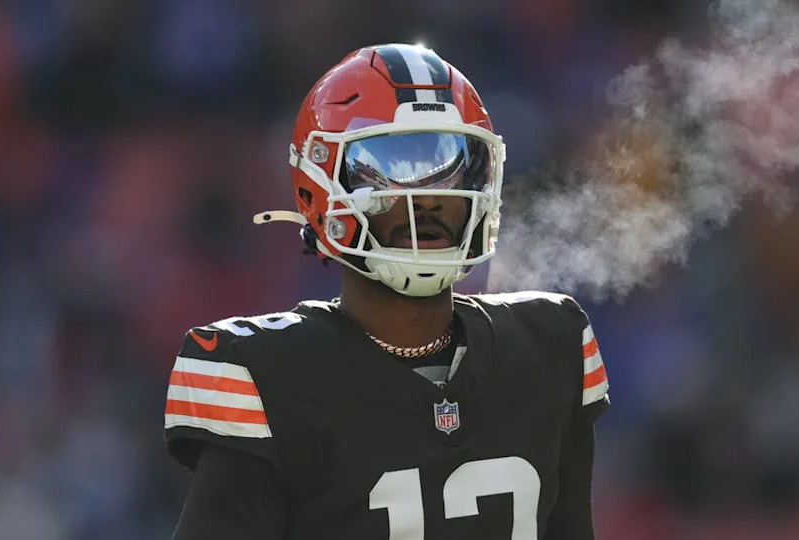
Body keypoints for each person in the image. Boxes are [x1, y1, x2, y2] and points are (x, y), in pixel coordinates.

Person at [165, 43, 610, 540]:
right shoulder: (266, 373)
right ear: (320, 185)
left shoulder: (549, 346)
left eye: (453, 164)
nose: (431, 197)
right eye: (395, 166)